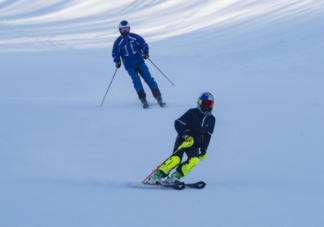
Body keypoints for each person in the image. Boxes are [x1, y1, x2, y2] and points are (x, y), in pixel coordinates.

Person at [148, 92, 216, 185]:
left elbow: (207, 136)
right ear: (199, 103)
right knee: (176, 159)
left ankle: (176, 176)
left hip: (195, 144)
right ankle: (157, 175)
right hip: (183, 140)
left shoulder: (212, 119)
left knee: (195, 159)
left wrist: (203, 149)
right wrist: (184, 135)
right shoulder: (192, 112)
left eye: (210, 104)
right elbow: (178, 123)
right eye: (205, 104)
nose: (207, 107)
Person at [112, 20, 165, 108]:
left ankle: (158, 97)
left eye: (126, 29)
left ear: (129, 29)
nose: (125, 32)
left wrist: (145, 52)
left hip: (140, 62)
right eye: (122, 30)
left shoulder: (135, 37)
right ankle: (143, 99)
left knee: (149, 78)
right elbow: (115, 53)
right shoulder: (118, 42)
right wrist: (117, 61)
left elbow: (144, 44)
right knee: (136, 80)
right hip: (129, 65)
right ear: (119, 30)